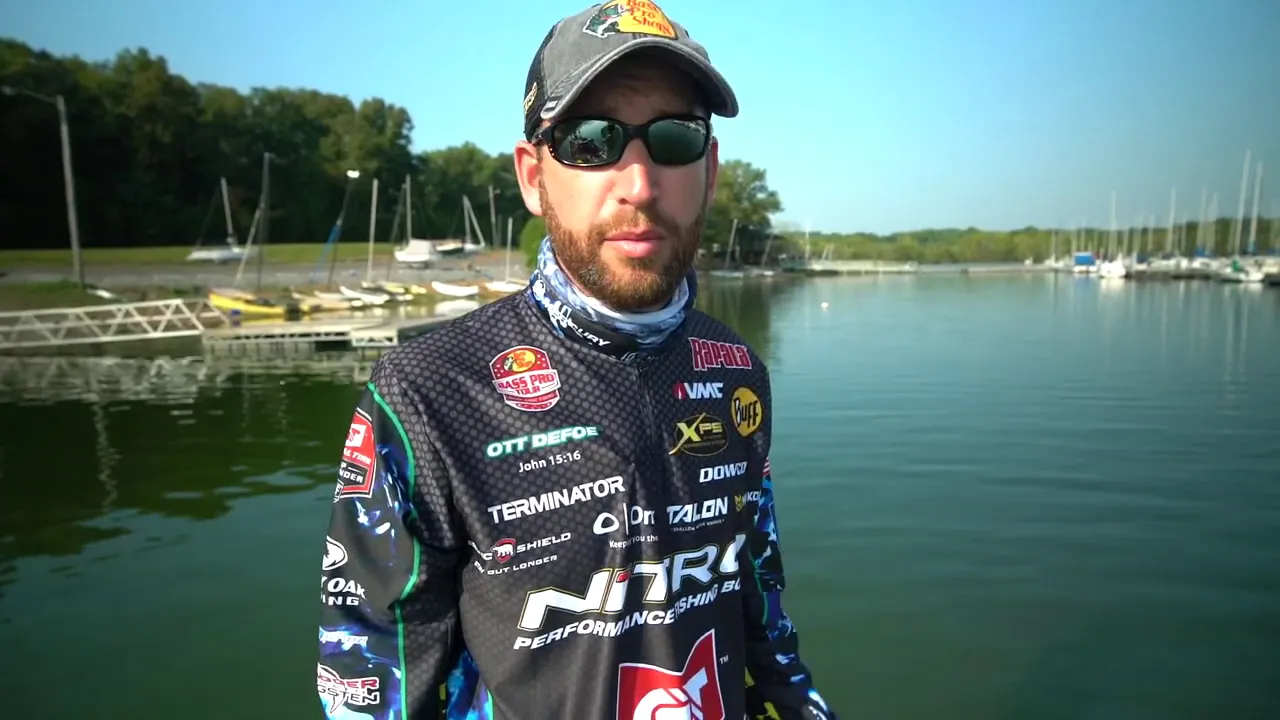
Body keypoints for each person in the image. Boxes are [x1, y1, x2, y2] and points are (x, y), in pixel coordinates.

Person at [315, 2, 837, 718]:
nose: (639, 184)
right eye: (592, 142)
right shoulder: (424, 393)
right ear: (533, 177)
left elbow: (764, 624)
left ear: (709, 170)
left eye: (674, 138)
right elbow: (373, 679)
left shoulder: (736, 369)